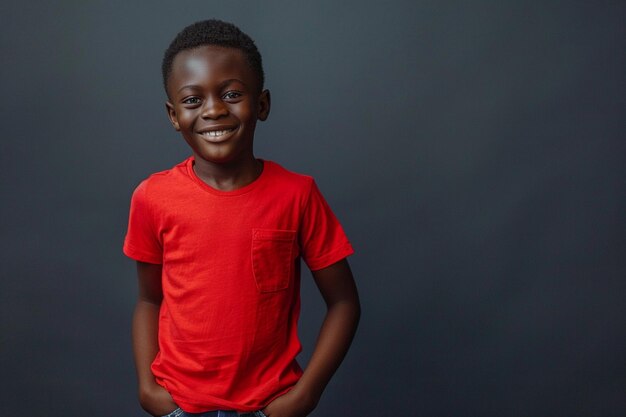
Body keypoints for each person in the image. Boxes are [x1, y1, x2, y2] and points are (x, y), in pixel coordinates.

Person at [123, 19, 360, 417]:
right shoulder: (152, 197)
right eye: (193, 100)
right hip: (179, 407)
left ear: (262, 104)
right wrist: (148, 388)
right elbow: (149, 299)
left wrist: (306, 395)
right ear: (173, 115)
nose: (214, 110)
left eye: (232, 94)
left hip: (268, 407)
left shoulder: (297, 195)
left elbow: (344, 303)